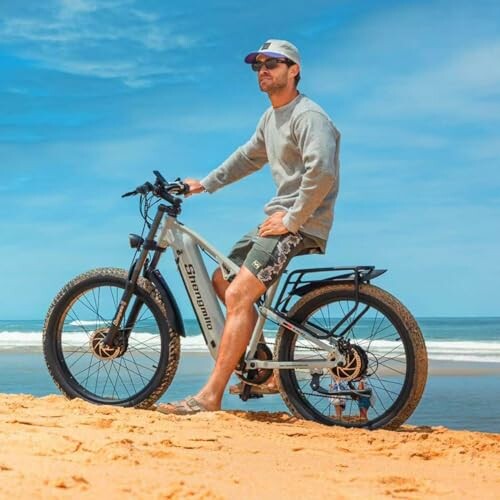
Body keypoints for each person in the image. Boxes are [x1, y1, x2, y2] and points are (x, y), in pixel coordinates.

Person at [157, 39, 341, 415]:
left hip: (298, 224)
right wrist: (205, 183)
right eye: (258, 64)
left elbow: (322, 173)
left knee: (239, 295)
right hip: (278, 220)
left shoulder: (309, 117)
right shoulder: (271, 119)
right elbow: (247, 157)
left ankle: (210, 396)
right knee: (223, 280)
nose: (263, 69)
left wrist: (292, 219)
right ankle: (262, 368)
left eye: (273, 63)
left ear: (294, 70)